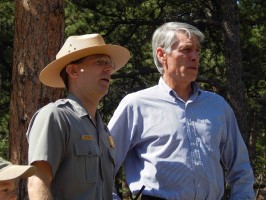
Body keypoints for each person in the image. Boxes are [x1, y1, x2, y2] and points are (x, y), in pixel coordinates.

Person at [108, 22, 255, 200]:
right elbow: (102, 166)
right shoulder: (136, 105)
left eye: (197, 51)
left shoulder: (218, 106)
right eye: (186, 50)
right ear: (162, 55)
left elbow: (241, 169)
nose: (195, 57)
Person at [26, 33, 130, 200]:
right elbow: (38, 183)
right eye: (100, 62)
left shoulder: (103, 130)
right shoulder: (55, 116)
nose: (109, 69)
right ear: (73, 71)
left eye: (109, 63)